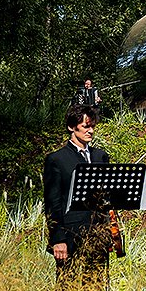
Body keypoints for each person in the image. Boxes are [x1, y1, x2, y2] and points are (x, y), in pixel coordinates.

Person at [43, 104, 109, 276]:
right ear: (71, 127)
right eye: (86, 126)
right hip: (69, 234)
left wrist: (108, 230)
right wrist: (58, 239)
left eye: (93, 126)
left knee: (97, 290)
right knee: (66, 289)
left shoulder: (100, 156)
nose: (91, 131)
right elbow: (52, 203)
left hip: (97, 233)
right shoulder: (56, 159)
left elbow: (106, 199)